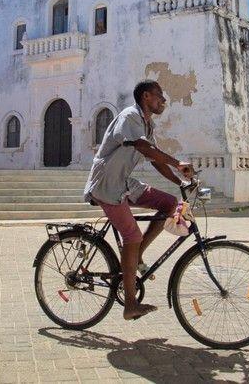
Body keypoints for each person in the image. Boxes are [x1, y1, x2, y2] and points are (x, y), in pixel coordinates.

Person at [84, 80, 195, 320]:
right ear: (146, 96)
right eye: (159, 96)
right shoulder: (130, 117)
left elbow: (155, 159)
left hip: (124, 182)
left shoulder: (147, 125)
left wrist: (181, 182)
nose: (163, 100)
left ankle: (137, 255)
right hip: (107, 184)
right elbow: (145, 149)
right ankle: (130, 305)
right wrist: (178, 163)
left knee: (170, 204)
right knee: (131, 235)